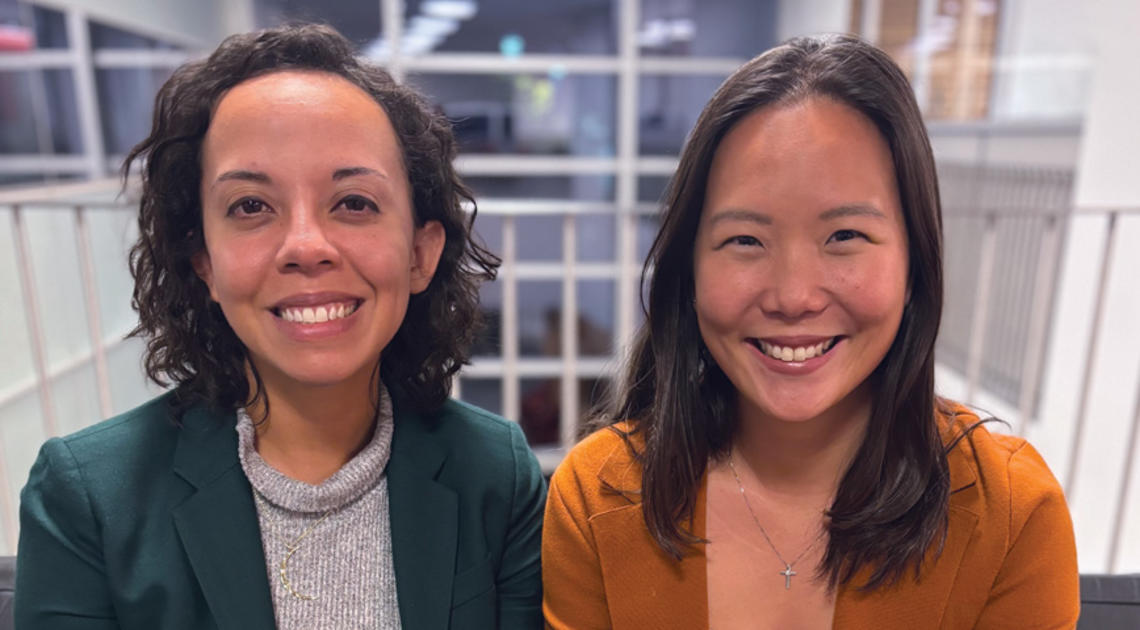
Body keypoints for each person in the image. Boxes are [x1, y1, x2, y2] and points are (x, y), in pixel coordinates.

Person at [16, 24, 545, 630]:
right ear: (205, 265)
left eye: (354, 202)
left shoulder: (493, 473)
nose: (305, 246)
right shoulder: (88, 498)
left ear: (420, 255)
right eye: (250, 206)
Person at [542, 34, 1079, 629]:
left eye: (844, 236)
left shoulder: (1010, 513)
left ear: (913, 264)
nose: (793, 296)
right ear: (688, 271)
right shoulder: (599, 497)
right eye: (744, 240)